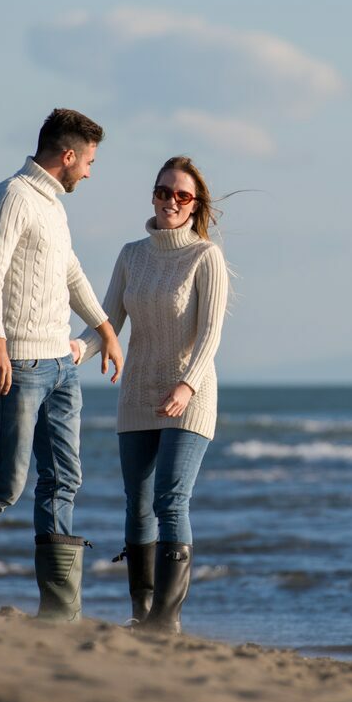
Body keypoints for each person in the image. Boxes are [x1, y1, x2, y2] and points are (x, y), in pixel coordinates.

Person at [0, 108, 124, 623]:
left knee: (64, 478)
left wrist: (103, 327)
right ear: (67, 156)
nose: (89, 171)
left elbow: (71, 272)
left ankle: (60, 610)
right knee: (6, 482)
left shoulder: (53, 206)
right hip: (15, 364)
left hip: (61, 363)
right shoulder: (11, 197)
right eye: (88, 161)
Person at [73, 155, 230, 634]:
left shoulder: (206, 257)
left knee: (170, 500)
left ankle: (167, 618)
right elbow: (108, 322)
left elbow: (211, 334)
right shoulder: (131, 256)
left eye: (182, 195)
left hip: (191, 395)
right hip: (139, 392)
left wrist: (187, 384)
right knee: (137, 504)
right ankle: (141, 613)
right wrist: (77, 347)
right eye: (164, 192)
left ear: (195, 203)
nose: (171, 202)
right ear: (153, 195)